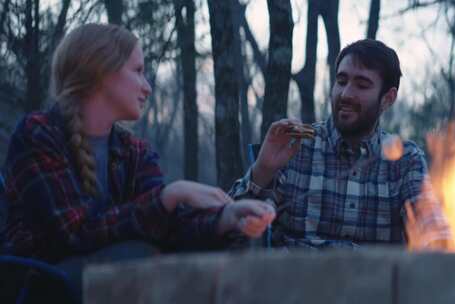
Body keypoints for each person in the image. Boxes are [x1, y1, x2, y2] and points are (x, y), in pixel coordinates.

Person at [1, 23, 275, 296]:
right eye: (138, 71)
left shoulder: (133, 152)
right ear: (102, 71)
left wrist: (225, 219)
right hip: (41, 285)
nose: (147, 87)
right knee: (140, 255)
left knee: (181, 258)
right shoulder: (38, 135)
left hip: (115, 279)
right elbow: (75, 234)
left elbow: (168, 228)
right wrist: (170, 196)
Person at [230, 39, 450, 250]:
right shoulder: (296, 145)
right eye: (341, 81)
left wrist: (441, 247)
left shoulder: (404, 159)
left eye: (362, 85)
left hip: (375, 287)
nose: (345, 94)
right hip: (295, 284)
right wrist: (262, 171)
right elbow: (230, 228)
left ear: (388, 98)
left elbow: (430, 224)